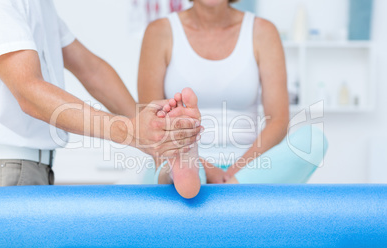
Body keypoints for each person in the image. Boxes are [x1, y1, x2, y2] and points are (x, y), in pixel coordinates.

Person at [0, 0, 202, 248]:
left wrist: (156, 131)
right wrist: (132, 131)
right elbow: (29, 92)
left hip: (30, 169)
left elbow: (92, 69)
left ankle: (178, 160)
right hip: (2, 171)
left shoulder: (40, 5)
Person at [138, 0, 327, 191]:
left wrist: (234, 173)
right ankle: (192, 174)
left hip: (250, 166)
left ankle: (225, 190)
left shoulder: (263, 31)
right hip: (180, 153)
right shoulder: (159, 32)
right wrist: (209, 169)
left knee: (313, 140)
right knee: (176, 161)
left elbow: (278, 120)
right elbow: (151, 120)